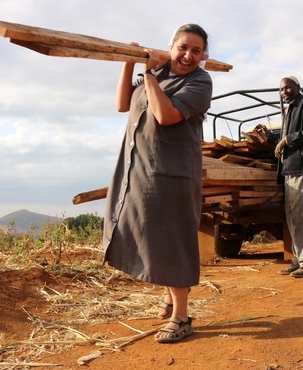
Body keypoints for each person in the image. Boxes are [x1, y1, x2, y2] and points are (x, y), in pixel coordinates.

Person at [102, 24, 212, 343]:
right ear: (171, 46)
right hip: (141, 168)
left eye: (196, 50)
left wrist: (149, 75)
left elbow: (165, 115)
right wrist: (129, 62)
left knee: (173, 237)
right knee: (153, 234)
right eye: (182, 47)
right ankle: (168, 298)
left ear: (204, 56)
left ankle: (182, 316)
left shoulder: (200, 81)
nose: (188, 55)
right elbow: (124, 104)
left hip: (174, 172)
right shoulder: (159, 72)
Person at [255, 76, 303, 278]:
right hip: (289, 169)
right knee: (293, 217)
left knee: (302, 216)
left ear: (298, 87)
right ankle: (298, 259)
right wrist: (270, 138)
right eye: (281, 89)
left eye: (288, 88)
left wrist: (287, 139)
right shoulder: (288, 110)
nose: (284, 91)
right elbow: (285, 141)